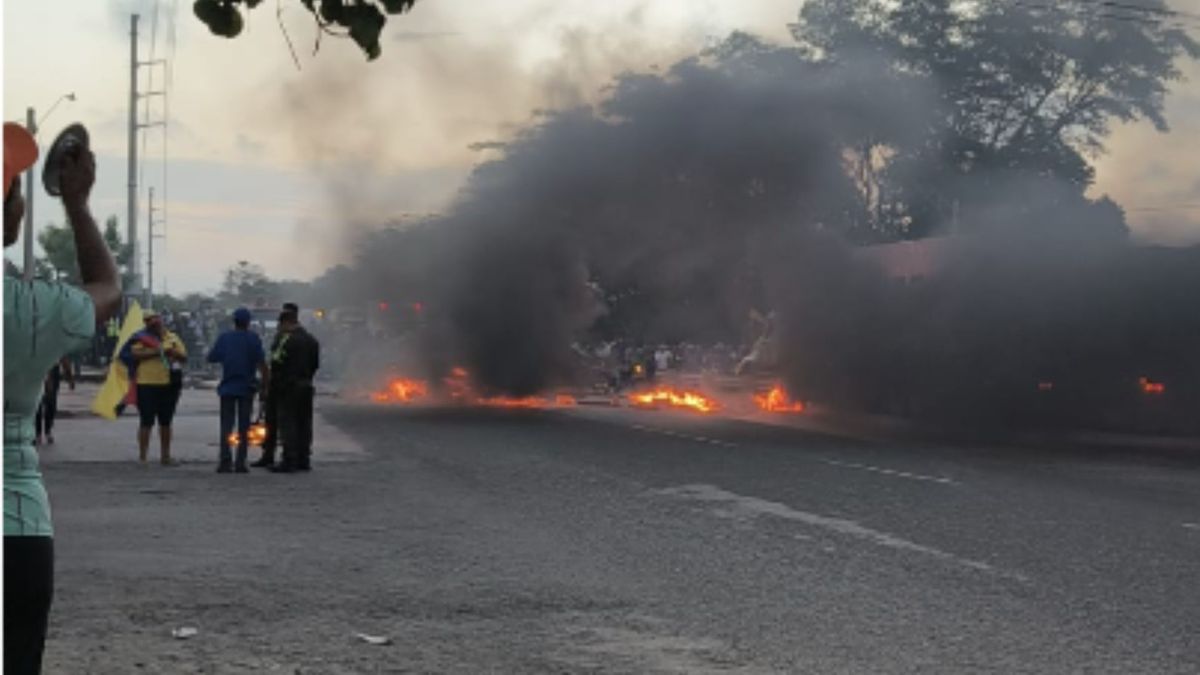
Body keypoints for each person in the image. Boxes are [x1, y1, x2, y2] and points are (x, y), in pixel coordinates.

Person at [4, 123, 121, 674]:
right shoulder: (29, 310)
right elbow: (106, 290)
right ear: (8, 219)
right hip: (16, 529)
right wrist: (76, 205)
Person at [207, 308, 269, 473]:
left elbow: (211, 357)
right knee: (244, 426)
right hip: (246, 388)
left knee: (226, 426)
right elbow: (262, 365)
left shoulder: (225, 338)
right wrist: (265, 386)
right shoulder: (253, 339)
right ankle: (240, 462)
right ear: (248, 322)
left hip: (227, 387)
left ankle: (225, 462)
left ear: (233, 321)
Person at [124, 312, 188, 466]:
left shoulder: (172, 337)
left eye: (156, 319)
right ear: (146, 323)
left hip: (169, 384)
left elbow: (184, 357)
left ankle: (165, 456)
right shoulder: (140, 338)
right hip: (147, 384)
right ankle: (142, 457)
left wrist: (173, 352)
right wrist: (158, 351)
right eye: (149, 320)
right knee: (146, 421)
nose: (154, 323)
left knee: (166, 422)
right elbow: (135, 353)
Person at [270, 308, 320, 473]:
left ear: (286, 322)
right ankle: (303, 459)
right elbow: (315, 365)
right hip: (306, 385)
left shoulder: (287, 340)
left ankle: (289, 460)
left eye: (281, 324)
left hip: (289, 387)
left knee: (288, 423)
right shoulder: (312, 340)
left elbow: (276, 361)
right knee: (305, 423)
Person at [252, 302, 297, 468]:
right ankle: (271, 455)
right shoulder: (287, 337)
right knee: (273, 421)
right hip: (281, 384)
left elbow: (279, 361)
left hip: (284, 385)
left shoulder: (290, 338)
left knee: (284, 422)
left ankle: (288, 458)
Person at [34, 358, 74, 446]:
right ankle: (38, 433)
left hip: (52, 371)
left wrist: (70, 377)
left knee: (51, 404)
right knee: (38, 404)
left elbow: (64, 358)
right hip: (39, 369)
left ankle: (47, 431)